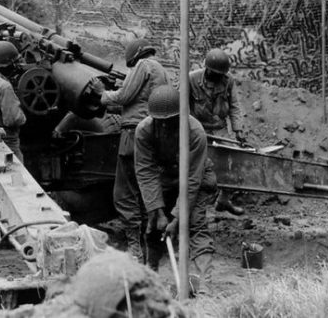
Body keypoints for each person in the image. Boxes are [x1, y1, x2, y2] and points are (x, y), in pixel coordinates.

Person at [134, 85, 214, 295]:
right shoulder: (144, 130)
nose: (165, 126)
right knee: (152, 225)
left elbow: (191, 180)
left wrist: (177, 218)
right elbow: (145, 172)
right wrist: (158, 212)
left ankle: (201, 283)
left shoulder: (196, 133)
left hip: (195, 177)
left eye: (171, 122)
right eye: (160, 122)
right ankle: (149, 276)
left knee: (195, 225)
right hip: (164, 177)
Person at [96, 38, 168, 263]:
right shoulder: (160, 69)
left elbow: (125, 97)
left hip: (133, 134)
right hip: (155, 133)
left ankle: (135, 247)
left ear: (134, 54)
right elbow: (138, 101)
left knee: (125, 191)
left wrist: (103, 93)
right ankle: (151, 246)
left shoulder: (143, 66)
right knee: (147, 187)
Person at [189, 48, 245, 215]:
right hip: (198, 128)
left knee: (233, 159)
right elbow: (181, 105)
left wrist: (238, 131)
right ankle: (193, 205)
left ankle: (224, 200)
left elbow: (234, 106)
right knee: (196, 164)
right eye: (215, 73)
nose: (219, 77)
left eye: (221, 74)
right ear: (207, 69)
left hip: (219, 127)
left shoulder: (228, 80)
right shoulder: (191, 79)